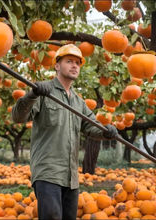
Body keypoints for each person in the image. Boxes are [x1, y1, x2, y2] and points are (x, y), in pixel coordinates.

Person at [12, 44, 118, 220]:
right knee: (52, 216)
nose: (74, 65)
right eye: (69, 61)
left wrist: (105, 132)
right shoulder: (43, 90)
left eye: (77, 62)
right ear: (57, 66)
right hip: (48, 170)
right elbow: (18, 117)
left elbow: (91, 127)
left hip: (70, 174)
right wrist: (32, 94)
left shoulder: (78, 102)